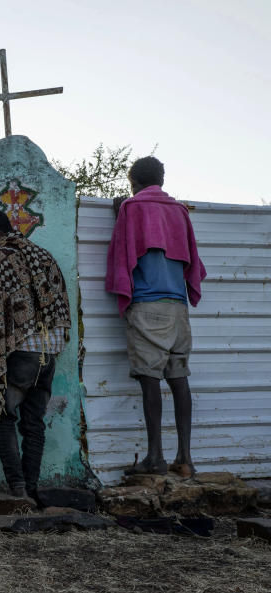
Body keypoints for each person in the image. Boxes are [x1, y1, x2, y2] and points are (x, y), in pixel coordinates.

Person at [106, 157, 206, 477]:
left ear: (132, 180)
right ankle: (186, 459)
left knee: (150, 379)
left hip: (148, 305)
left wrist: (121, 208)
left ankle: (155, 459)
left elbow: (123, 254)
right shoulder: (178, 211)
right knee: (179, 377)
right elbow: (192, 258)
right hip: (179, 306)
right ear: (161, 180)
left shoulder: (131, 208)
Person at [0, 209, 71, 500]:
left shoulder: (3, 256)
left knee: (2, 416)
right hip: (50, 350)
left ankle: (18, 488)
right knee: (34, 422)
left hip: (22, 350)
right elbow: (60, 298)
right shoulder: (43, 254)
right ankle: (32, 489)